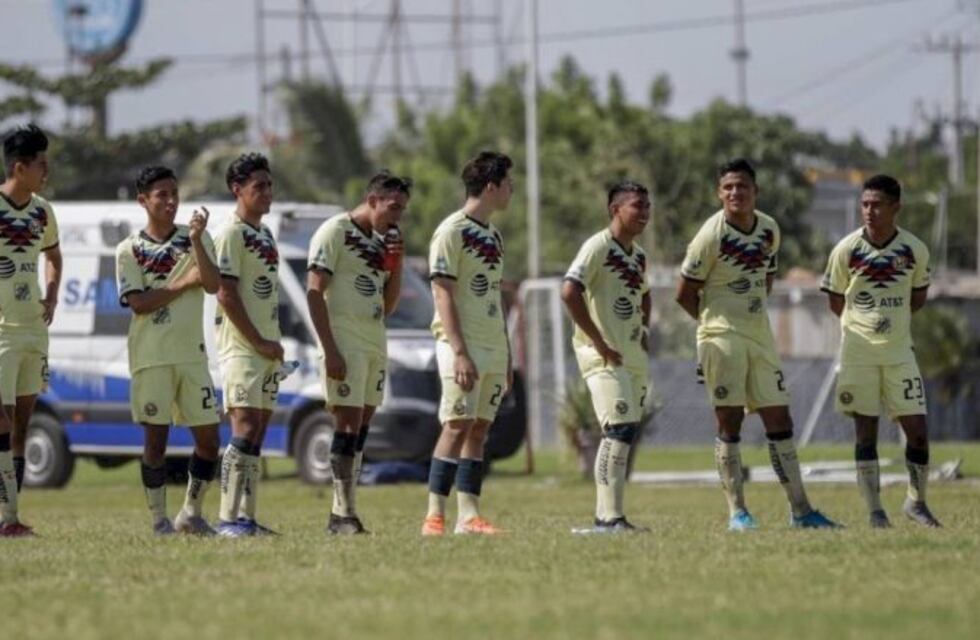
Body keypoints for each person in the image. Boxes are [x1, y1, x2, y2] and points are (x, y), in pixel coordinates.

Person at [675, 158, 839, 531]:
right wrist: (714, 326)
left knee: (780, 418)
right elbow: (684, 293)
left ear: (755, 191)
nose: (735, 192)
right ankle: (737, 512)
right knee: (729, 421)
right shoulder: (710, 235)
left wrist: (749, 313)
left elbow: (766, 277)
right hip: (721, 336)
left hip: (760, 335)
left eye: (742, 186)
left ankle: (801, 511)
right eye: (728, 187)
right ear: (720, 193)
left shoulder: (768, 230)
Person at [821, 174, 940, 528]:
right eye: (865, 204)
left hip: (900, 353)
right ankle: (875, 511)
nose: (869, 211)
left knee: (917, 429)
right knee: (865, 432)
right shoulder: (846, 249)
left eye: (877, 205)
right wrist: (863, 326)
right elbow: (834, 299)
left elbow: (917, 298)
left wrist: (891, 323)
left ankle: (916, 503)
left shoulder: (914, 249)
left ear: (895, 207)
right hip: (858, 355)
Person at [116, 166, 221, 535]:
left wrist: (195, 240)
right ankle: (159, 520)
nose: (171, 201)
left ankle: (190, 513)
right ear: (143, 200)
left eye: (174, 193)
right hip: (151, 358)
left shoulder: (195, 239)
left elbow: (211, 284)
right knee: (155, 442)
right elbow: (139, 303)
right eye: (162, 194)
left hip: (192, 356)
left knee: (210, 441)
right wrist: (182, 283)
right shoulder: (129, 249)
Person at [306, 171, 410, 535]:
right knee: (346, 424)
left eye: (402, 209)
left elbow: (388, 304)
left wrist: (397, 264)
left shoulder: (382, 242)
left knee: (362, 427)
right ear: (373, 200)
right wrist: (329, 348)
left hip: (373, 341)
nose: (397, 215)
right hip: (344, 340)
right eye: (393, 207)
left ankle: (345, 512)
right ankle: (341, 513)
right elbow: (314, 292)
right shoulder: (335, 231)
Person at [421, 151, 513, 536]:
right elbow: (442, 292)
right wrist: (459, 350)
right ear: (491, 186)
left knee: (479, 429)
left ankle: (468, 517)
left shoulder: (493, 235)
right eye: (509, 183)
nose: (512, 190)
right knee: (456, 424)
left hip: (493, 346)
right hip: (461, 346)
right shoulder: (451, 231)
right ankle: (433, 516)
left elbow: (493, 296)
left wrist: (507, 354)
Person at [561, 181, 652, 533]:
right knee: (617, 428)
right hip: (602, 356)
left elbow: (645, 294)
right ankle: (606, 518)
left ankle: (612, 516)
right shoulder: (598, 246)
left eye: (647, 206)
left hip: (630, 356)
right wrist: (598, 342)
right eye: (637, 206)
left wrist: (644, 330)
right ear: (616, 209)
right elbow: (569, 292)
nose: (644, 213)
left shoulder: (638, 254)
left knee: (626, 431)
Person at [213, 153, 284, 537]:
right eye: (259, 186)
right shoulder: (230, 233)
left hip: (266, 349)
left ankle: (248, 517)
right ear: (237, 190)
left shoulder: (265, 234)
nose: (267, 193)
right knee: (243, 426)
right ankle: (227, 519)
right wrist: (256, 340)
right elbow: (226, 294)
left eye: (270, 185)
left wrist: (273, 342)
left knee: (258, 429)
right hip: (241, 348)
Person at [0, 125, 62, 538]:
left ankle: (10, 517)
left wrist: (52, 295)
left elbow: (54, 256)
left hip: (32, 334)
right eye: (41, 164)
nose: (46, 170)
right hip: (0, 335)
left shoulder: (42, 211)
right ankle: (7, 518)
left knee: (21, 424)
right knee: (2, 426)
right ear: (19, 168)